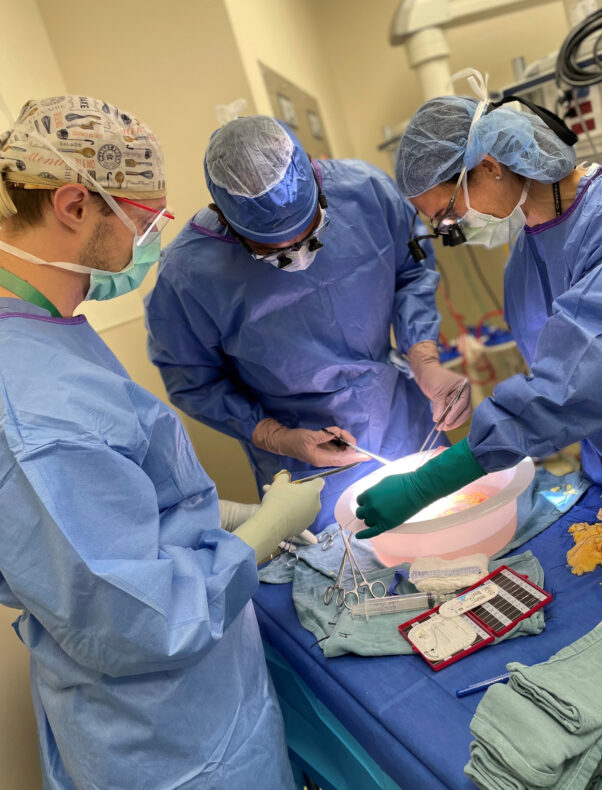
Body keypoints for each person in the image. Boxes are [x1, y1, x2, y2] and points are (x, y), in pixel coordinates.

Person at [0, 95, 323, 789]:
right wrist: (259, 533)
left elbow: (108, 507)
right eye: (143, 221)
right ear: (73, 205)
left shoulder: (47, 332)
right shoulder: (24, 399)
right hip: (164, 741)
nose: (151, 241)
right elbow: (131, 620)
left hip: (190, 698)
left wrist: (215, 516)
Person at [354, 72, 602, 538]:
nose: (455, 229)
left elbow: (578, 381)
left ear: (492, 165)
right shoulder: (525, 257)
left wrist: (433, 480)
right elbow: (554, 367)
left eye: (450, 213)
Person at [144, 114, 471, 533]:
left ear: (317, 184)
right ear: (225, 220)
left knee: (450, 530)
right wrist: (276, 436)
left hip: (399, 416)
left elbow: (410, 273)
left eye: (310, 235)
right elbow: (195, 382)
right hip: (302, 465)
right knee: (347, 567)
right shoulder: (187, 275)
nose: (297, 256)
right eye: (271, 252)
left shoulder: (365, 193)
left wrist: (425, 360)